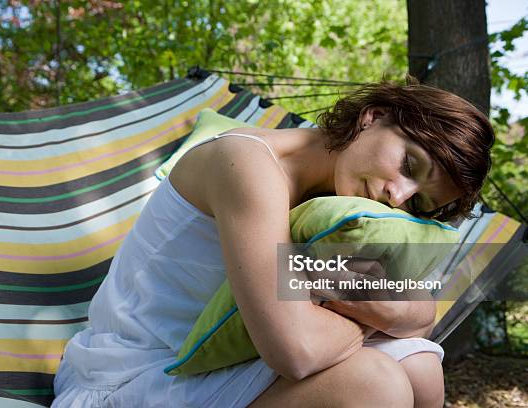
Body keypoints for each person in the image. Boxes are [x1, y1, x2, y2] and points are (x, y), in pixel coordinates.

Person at [51, 78, 494, 408]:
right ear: (372, 117)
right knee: (375, 383)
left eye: (419, 202)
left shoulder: (339, 212)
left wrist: (386, 310)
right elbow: (296, 351)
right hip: (121, 382)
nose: (398, 196)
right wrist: (376, 317)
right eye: (408, 165)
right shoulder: (246, 164)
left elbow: (420, 312)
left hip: (212, 373)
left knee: (419, 365)